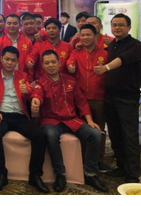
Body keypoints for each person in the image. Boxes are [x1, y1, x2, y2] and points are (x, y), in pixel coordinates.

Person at [31, 50, 108, 193]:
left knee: (95, 134)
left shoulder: (70, 80)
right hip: (51, 120)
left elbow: (81, 102)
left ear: (59, 63)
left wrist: (89, 120)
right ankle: (60, 173)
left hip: (71, 119)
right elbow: (37, 94)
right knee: (50, 135)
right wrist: (36, 100)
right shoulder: (40, 82)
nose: (50, 65)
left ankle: (90, 173)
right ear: (42, 65)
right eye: (47, 63)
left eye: (53, 62)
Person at [0, 46, 49, 193]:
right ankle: (1, 174)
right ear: (1, 59)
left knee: (40, 135)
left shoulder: (23, 76)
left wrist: (27, 93)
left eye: (13, 60)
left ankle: (35, 175)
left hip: (19, 115)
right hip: (1, 114)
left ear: (17, 62)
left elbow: (31, 95)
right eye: (7, 59)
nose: (9, 63)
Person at [93, 13, 141, 183]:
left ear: (129, 27)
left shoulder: (136, 45)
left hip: (127, 97)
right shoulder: (112, 44)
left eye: (121, 25)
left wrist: (106, 68)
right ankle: (121, 166)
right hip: (110, 95)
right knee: (115, 134)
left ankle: (133, 174)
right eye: (114, 25)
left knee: (129, 136)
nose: (117, 28)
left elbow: (123, 59)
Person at [67, 23, 109, 170]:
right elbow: (70, 63)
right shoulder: (76, 52)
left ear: (95, 36)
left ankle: (99, 160)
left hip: (99, 97)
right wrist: (70, 66)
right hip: (80, 98)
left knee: (99, 130)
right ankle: (83, 159)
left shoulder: (105, 53)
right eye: (83, 35)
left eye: (88, 35)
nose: (85, 37)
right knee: (82, 130)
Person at [26, 18, 72, 82]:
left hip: (62, 82)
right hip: (42, 81)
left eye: (54, 28)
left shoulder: (68, 46)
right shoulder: (39, 45)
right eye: (48, 28)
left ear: (60, 30)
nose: (51, 30)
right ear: (45, 30)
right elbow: (32, 55)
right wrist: (30, 60)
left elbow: (71, 60)